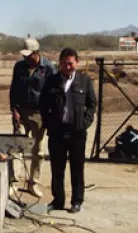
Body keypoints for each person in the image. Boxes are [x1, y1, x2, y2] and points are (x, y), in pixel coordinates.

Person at [39, 47, 97, 213]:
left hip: (77, 132)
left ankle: (77, 201)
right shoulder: (52, 81)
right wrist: (49, 123)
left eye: (70, 63)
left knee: (77, 168)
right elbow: (43, 105)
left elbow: (92, 104)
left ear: (76, 63)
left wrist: (85, 122)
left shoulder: (84, 81)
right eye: (64, 64)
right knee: (57, 169)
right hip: (57, 132)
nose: (68, 67)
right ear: (60, 64)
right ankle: (58, 200)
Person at [9, 37, 55, 197]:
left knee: (38, 151)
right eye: (24, 55)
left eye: (29, 55)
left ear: (36, 53)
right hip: (20, 112)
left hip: (39, 114)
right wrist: (14, 110)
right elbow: (13, 89)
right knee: (16, 149)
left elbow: (53, 93)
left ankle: (33, 183)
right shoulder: (19, 67)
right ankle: (13, 182)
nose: (25, 58)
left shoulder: (48, 68)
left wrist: (48, 115)